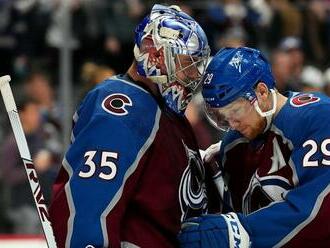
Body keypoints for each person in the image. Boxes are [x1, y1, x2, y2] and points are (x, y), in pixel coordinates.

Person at [48, 4, 212, 248]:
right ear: (155, 55)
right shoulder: (123, 105)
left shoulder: (167, 113)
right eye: (186, 65)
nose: (193, 76)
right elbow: (90, 203)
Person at [178, 47, 330, 247]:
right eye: (221, 117)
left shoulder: (318, 118)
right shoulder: (233, 146)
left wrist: (245, 229)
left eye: (235, 111)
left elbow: (322, 210)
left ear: (262, 92)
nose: (231, 124)